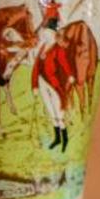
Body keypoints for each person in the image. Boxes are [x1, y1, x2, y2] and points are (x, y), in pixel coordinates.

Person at [30, 20, 74, 151]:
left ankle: (65, 139)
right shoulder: (42, 48)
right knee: (50, 110)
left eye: (48, 33)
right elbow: (36, 67)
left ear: (54, 34)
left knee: (58, 111)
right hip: (42, 82)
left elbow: (64, 62)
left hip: (53, 83)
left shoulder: (57, 48)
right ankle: (57, 138)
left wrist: (70, 75)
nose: (45, 35)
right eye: (45, 33)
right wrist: (34, 85)